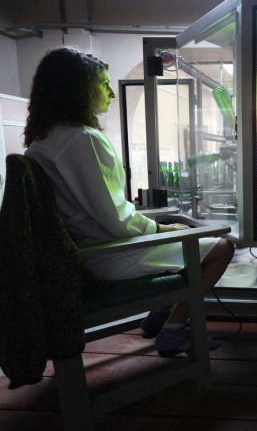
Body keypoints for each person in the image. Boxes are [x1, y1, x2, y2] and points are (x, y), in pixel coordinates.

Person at [23, 47, 234, 356]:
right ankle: (174, 328)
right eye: (103, 84)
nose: (110, 92)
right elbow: (117, 220)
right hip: (111, 255)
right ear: (78, 90)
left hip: (86, 253)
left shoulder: (40, 143)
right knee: (220, 248)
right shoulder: (84, 139)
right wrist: (163, 228)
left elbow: (97, 209)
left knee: (181, 237)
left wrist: (157, 223)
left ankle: (159, 315)